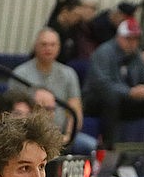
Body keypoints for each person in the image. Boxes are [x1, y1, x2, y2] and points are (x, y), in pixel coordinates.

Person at [84, 18, 144, 155]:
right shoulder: (104, 52)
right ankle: (108, 149)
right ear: (119, 37)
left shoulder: (136, 56)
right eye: (129, 39)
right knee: (111, 99)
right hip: (97, 101)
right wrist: (129, 92)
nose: (133, 43)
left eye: (136, 39)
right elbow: (101, 84)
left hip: (125, 101)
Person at [13, 27, 97, 155]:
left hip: (62, 135)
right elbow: (15, 113)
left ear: (59, 47)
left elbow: (75, 110)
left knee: (93, 146)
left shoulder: (69, 74)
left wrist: (68, 136)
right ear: (35, 46)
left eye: (53, 45)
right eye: (44, 44)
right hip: (30, 135)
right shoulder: (19, 74)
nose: (49, 48)